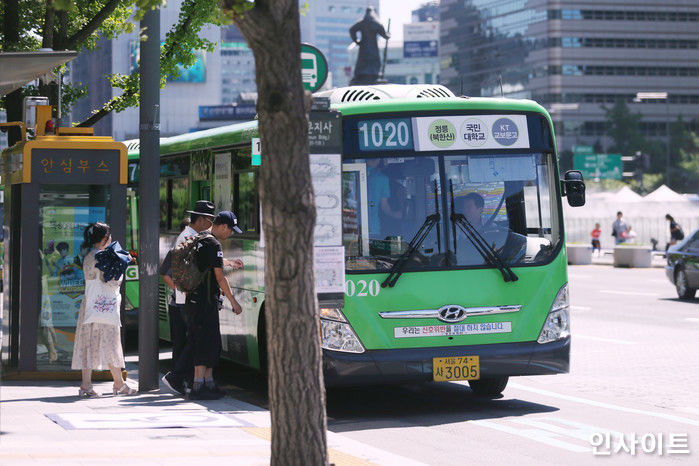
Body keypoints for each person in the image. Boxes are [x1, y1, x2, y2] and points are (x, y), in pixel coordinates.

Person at [71, 222, 135, 397]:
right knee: (111, 343)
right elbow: (108, 280)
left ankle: (86, 385)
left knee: (88, 344)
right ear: (106, 238)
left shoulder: (89, 256)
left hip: (89, 305)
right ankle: (119, 384)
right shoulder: (104, 257)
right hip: (104, 306)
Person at [186, 211, 243, 400]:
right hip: (204, 300)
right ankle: (198, 387)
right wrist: (233, 301)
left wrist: (229, 262)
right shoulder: (213, 243)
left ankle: (208, 383)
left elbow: (210, 265)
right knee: (204, 343)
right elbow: (220, 277)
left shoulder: (201, 238)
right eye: (230, 231)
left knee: (210, 342)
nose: (230, 235)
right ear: (223, 227)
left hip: (196, 299)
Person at [161, 202, 216, 396]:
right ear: (200, 220)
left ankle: (186, 379)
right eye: (210, 221)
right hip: (188, 297)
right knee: (194, 340)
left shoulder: (189, 236)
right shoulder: (189, 237)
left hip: (187, 296)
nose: (211, 225)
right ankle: (176, 376)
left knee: (194, 339)